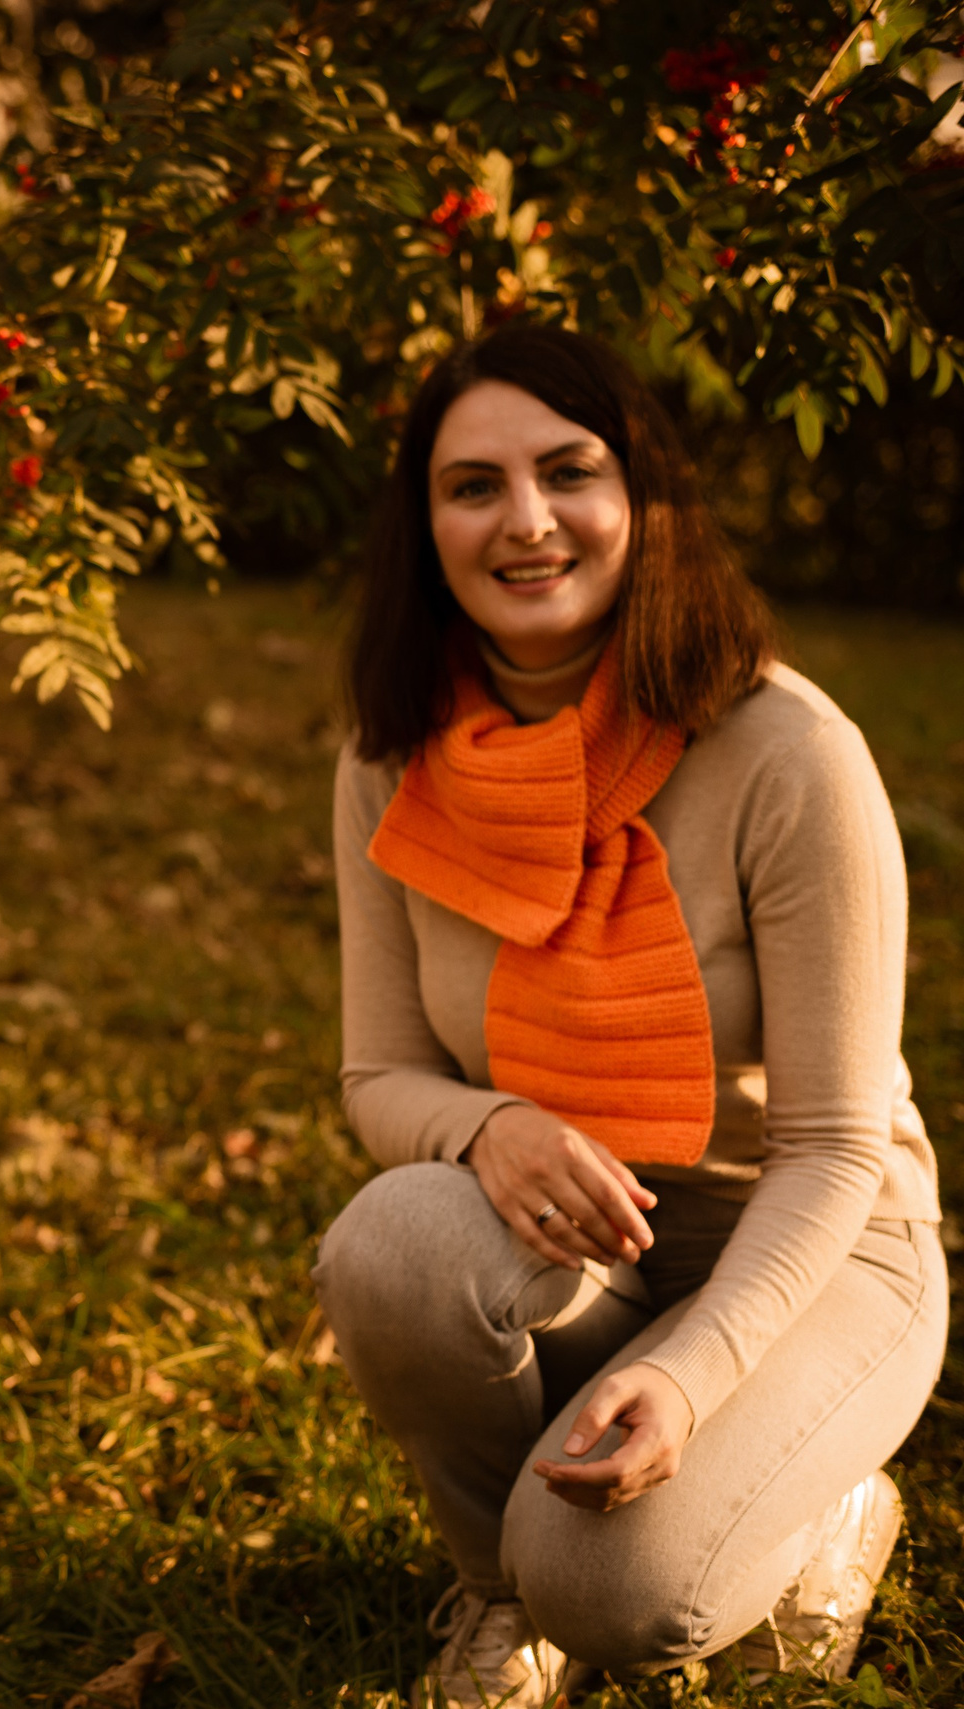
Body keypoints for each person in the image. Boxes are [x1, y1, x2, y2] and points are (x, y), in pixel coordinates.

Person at [314, 325, 944, 1706]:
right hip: (587, 1245)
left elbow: (836, 1145)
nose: (525, 520)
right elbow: (378, 1073)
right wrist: (489, 1126)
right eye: (473, 486)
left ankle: (826, 1509)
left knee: (616, 1588)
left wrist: (698, 1373)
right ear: (425, 526)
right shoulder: (391, 755)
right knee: (393, 1243)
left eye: (568, 472)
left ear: (643, 496)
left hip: (816, 1244)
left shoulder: (789, 753)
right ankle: (500, 1597)